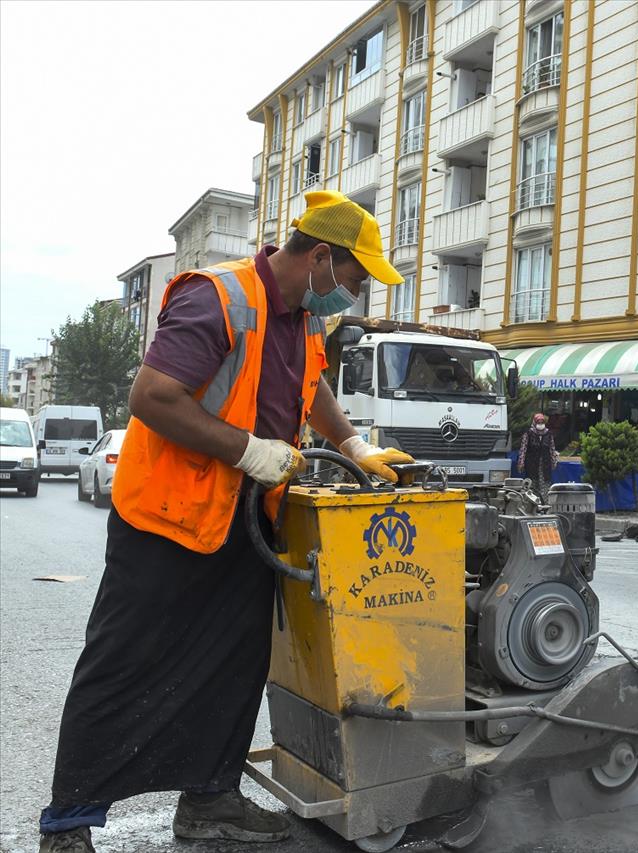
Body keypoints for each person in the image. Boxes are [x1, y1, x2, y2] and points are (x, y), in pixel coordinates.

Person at [37, 190, 414, 853]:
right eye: (353, 280)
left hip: (243, 521)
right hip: (166, 517)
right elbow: (152, 396)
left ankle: (210, 802)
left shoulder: (302, 318)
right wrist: (247, 449)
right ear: (321, 257)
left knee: (234, 665)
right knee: (123, 664)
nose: (353, 296)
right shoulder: (218, 296)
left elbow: (312, 384)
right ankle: (68, 822)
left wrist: (354, 445)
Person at [518, 413, 558, 502]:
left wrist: (554, 461)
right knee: (532, 484)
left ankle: (544, 505)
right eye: (538, 422)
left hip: (545, 464)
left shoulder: (548, 434)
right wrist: (521, 462)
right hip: (531, 464)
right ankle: (533, 505)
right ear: (534, 422)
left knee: (544, 485)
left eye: (542, 422)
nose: (540, 424)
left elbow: (552, 449)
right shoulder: (528, 433)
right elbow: (523, 449)